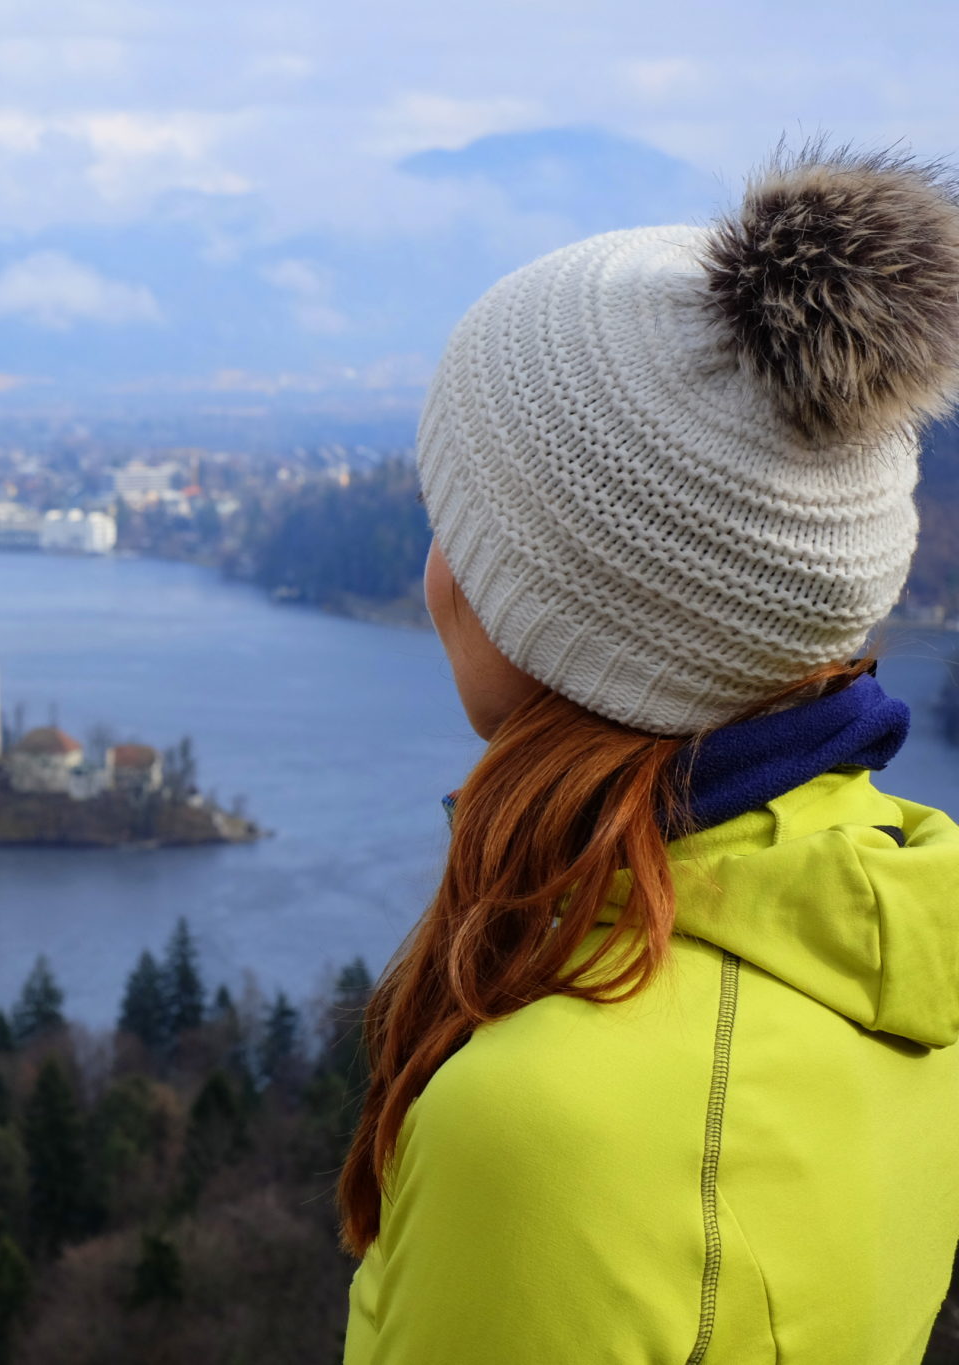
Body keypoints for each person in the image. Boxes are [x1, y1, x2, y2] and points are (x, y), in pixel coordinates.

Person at [343, 148, 959, 1363]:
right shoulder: (894, 931)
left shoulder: (537, 1125)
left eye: (454, 522)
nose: (432, 578)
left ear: (563, 616)